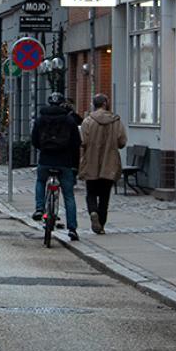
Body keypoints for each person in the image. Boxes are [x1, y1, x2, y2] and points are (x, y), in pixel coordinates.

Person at [30, 91, 83, 241]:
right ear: (62, 103)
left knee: (41, 181)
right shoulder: (69, 120)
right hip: (64, 162)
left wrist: (43, 149)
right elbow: (76, 144)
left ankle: (39, 208)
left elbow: (34, 140)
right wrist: (74, 166)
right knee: (68, 195)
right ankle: (72, 229)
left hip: (46, 160)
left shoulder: (41, 119)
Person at [78, 93, 127, 234]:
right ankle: (101, 225)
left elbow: (83, 141)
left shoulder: (88, 121)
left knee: (91, 193)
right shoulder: (116, 121)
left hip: (91, 162)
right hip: (109, 162)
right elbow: (122, 141)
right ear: (105, 104)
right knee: (105, 196)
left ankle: (93, 211)